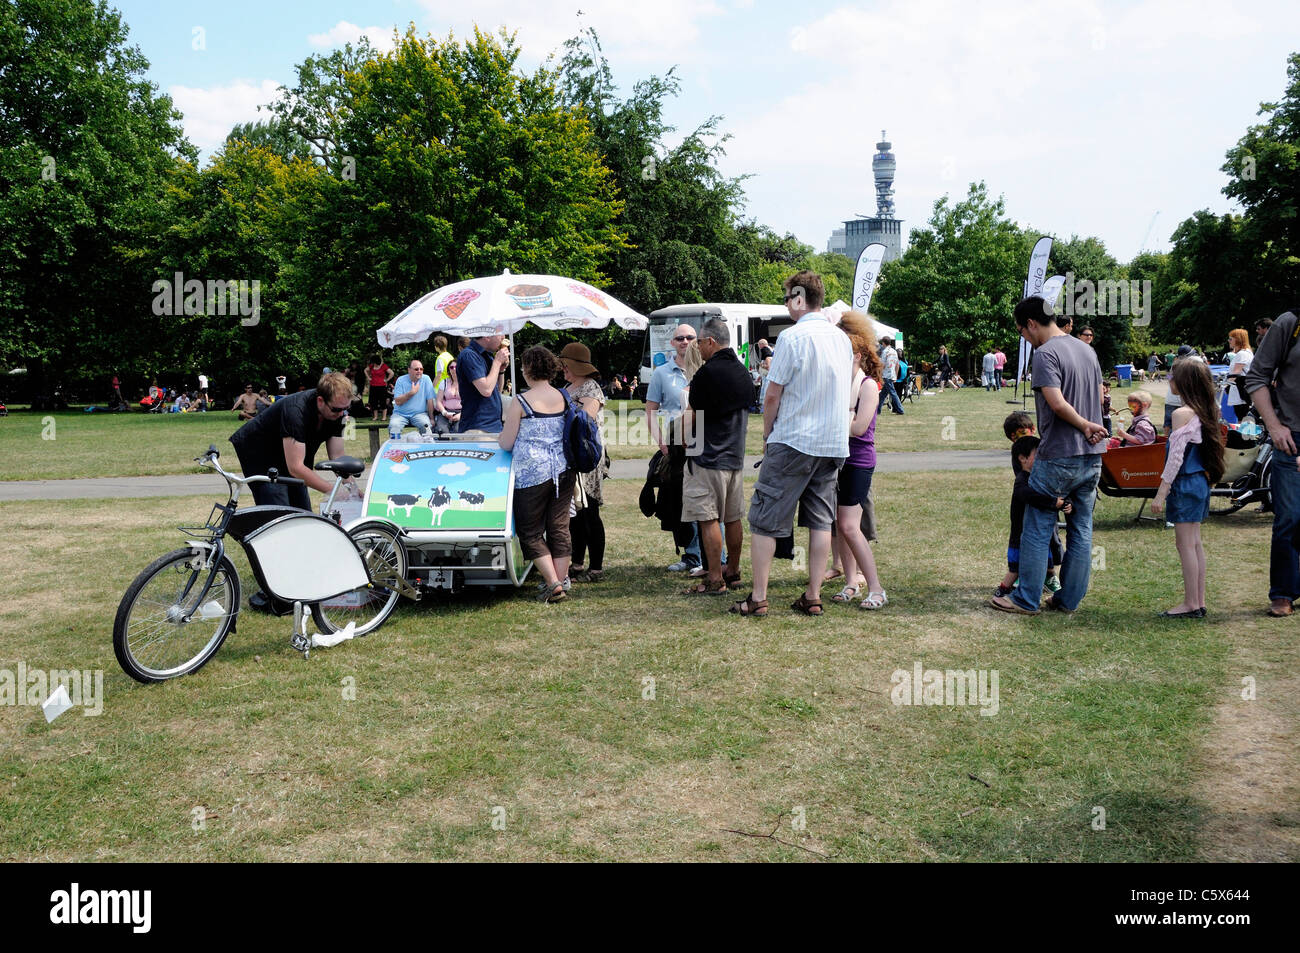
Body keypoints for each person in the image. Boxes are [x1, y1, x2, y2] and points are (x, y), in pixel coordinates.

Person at [731, 269, 851, 618]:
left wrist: (767, 435)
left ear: (799, 298)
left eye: (787, 297)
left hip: (795, 438)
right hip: (831, 443)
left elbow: (772, 395)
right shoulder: (841, 339)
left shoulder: (792, 338)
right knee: (819, 520)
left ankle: (758, 597)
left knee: (766, 518)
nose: (786, 304)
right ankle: (813, 594)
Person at [989, 296, 1107, 615]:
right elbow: (1098, 396)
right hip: (1092, 456)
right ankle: (1067, 600)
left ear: (1031, 323)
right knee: (1081, 529)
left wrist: (1082, 425)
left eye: (1022, 331)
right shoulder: (1087, 350)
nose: (1024, 339)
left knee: (1038, 526)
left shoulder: (1045, 354)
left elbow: (1055, 403)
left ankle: (1026, 599)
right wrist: (1091, 428)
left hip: (1059, 455)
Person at [678, 319, 752, 595]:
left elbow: (692, 418)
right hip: (735, 457)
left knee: (708, 518)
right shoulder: (744, 373)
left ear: (710, 341)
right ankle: (732, 570)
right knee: (732, 518)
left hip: (707, 457)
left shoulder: (706, 375)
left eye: (699, 342)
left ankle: (713, 578)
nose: (698, 348)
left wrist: (684, 439)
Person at [498, 347, 574, 604]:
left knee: (530, 531)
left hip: (532, 474)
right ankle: (560, 580)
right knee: (559, 526)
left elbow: (506, 443)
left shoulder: (520, 401)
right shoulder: (564, 396)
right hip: (564, 471)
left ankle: (553, 584)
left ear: (528, 369)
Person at [1151, 360, 1225, 617]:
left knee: (1185, 545)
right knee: (1194, 544)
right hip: (1200, 483)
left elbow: (1175, 459)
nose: (1169, 378)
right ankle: (1198, 601)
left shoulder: (1182, 414)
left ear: (1185, 382)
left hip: (1185, 483)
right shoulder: (1207, 410)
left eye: (1173, 374)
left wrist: (1162, 492)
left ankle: (1191, 604)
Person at [1242, 308, 1300, 616]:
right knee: (1290, 517)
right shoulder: (1290, 323)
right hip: (1293, 438)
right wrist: (1274, 426)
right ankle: (1284, 593)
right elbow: (1257, 376)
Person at [828, 311, 887, 610]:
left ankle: (875, 587)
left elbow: (859, 428)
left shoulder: (867, 386)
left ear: (860, 355)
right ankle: (851, 581)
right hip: (840, 458)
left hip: (859, 461)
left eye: (847, 354)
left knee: (850, 526)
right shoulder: (841, 385)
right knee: (840, 524)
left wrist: (832, 420)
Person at [646, 323, 703, 572]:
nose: (685, 341)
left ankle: (712, 556)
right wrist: (660, 441)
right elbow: (650, 410)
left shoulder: (704, 369)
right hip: (675, 443)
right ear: (672, 342)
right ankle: (691, 555)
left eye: (690, 337)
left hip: (702, 440)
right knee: (680, 499)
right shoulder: (661, 373)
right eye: (680, 338)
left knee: (705, 498)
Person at [559, 342, 609, 584]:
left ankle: (596, 566)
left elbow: (585, 419)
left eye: (565, 365)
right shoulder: (569, 386)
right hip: (572, 456)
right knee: (575, 514)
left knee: (590, 512)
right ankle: (577, 563)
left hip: (587, 458)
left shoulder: (591, 388)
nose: (562, 370)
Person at [996, 435, 1068, 600]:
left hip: (1040, 533)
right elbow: (1029, 496)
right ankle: (1001, 592)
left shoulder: (1040, 478)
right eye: (1038, 454)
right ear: (1023, 458)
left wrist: (1065, 504)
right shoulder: (1022, 480)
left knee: (1046, 561)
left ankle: (1047, 581)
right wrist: (1052, 502)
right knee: (1015, 568)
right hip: (1021, 535)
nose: (1043, 458)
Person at [456, 333, 510, 433]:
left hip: (493, 426)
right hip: (477, 429)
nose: (503, 338)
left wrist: (501, 369)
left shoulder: (487, 355)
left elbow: (497, 390)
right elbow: (486, 390)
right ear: (487, 336)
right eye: (500, 335)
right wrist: (497, 362)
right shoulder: (469, 355)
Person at [389, 358, 435, 438]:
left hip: (419, 414)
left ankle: (426, 448)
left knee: (426, 426)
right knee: (394, 426)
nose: (419, 371)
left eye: (421, 369)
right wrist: (411, 393)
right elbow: (398, 402)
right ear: (409, 370)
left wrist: (431, 418)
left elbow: (430, 400)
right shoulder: (400, 380)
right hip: (400, 414)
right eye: (416, 369)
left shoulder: (426, 379)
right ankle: (396, 448)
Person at [1225, 328, 1254, 422]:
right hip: (1241, 391)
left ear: (1237, 340)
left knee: (1243, 418)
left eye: (1230, 339)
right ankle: (1245, 436)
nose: (1228, 341)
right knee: (1244, 418)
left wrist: (1224, 385)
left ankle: (1244, 436)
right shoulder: (1246, 352)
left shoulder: (1242, 354)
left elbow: (1235, 373)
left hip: (1240, 391)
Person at [432, 359, 462, 434]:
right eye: (451, 367)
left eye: (456, 367)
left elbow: (470, 403)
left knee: (458, 431)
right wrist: (444, 412)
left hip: (461, 413)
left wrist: (461, 415)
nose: (454, 369)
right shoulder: (444, 382)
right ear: (449, 370)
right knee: (441, 431)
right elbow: (438, 401)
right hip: (446, 412)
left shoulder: (466, 383)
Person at [878, 337, 904, 414]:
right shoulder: (894, 351)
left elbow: (882, 364)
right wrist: (895, 375)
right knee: (883, 394)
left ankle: (900, 410)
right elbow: (897, 365)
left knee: (893, 393)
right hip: (892, 374)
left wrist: (879, 374)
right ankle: (877, 410)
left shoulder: (885, 352)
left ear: (883, 343)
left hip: (886, 375)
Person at [365, 355, 393, 422]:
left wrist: (386, 380)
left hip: (382, 387)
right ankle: (375, 417)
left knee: (382, 401)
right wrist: (368, 377)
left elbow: (391, 373)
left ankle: (384, 417)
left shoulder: (383, 366)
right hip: (373, 386)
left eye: (373, 362)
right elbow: (365, 370)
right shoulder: (371, 366)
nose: (372, 363)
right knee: (373, 402)